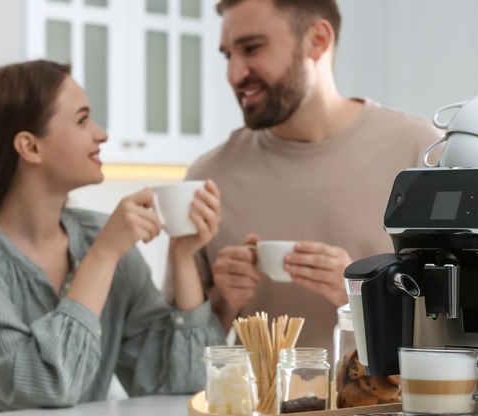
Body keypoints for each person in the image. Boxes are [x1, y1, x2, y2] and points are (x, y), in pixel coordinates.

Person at [0, 60, 226, 416]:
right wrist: (102, 257)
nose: (102, 134)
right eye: (82, 120)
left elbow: (184, 384)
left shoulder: (104, 239)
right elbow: (42, 387)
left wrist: (183, 255)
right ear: (30, 147)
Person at [166, 0, 443, 351]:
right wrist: (225, 299)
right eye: (227, 55)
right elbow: (176, 356)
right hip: (256, 406)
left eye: (252, 48)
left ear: (318, 40)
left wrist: (362, 294)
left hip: (383, 407)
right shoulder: (208, 177)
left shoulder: (422, 154)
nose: (234, 74)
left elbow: (466, 325)